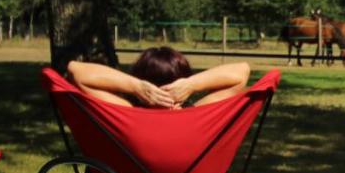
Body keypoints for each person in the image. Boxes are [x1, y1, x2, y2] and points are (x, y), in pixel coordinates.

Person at [66, 47, 252, 109]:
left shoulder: (126, 114)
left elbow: (76, 71)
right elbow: (242, 72)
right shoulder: (198, 114)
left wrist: (136, 87)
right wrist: (192, 84)